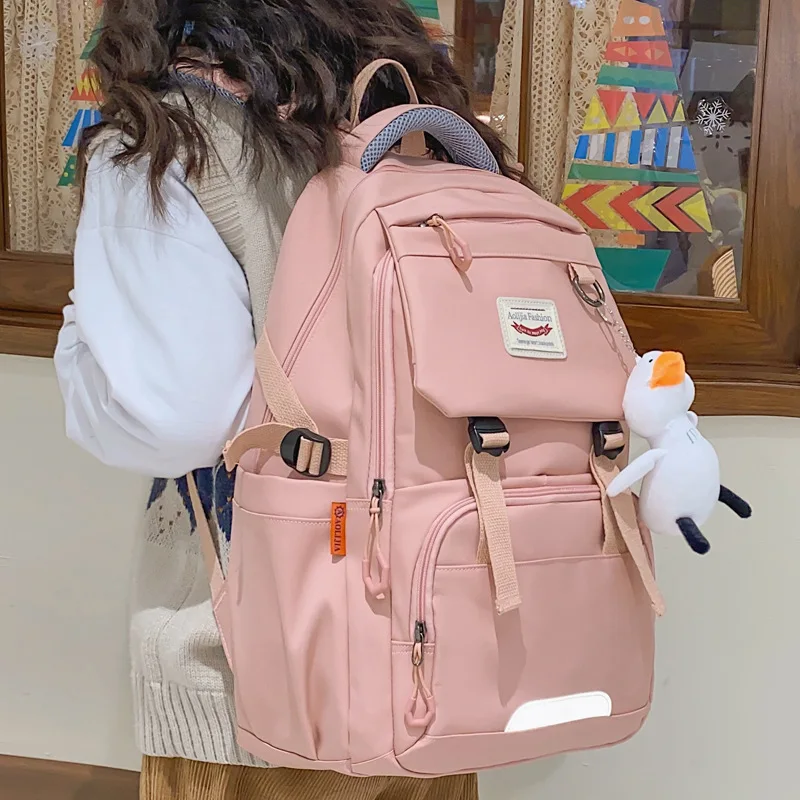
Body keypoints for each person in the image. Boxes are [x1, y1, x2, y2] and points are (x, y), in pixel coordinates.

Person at [55, 1, 521, 798]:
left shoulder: (168, 138)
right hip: (433, 632)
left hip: (257, 664)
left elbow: (180, 415)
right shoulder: (404, 116)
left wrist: (78, 345)